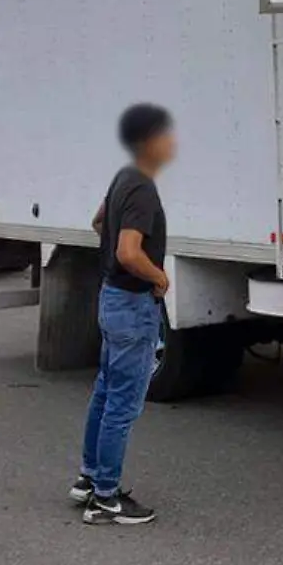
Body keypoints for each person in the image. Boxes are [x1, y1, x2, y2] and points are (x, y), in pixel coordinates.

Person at [69, 103, 175, 526]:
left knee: (105, 391)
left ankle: (89, 479)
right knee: (123, 404)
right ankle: (106, 499)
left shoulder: (122, 179)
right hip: (132, 304)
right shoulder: (143, 188)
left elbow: (99, 221)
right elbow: (128, 252)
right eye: (167, 135)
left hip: (111, 298)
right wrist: (159, 276)